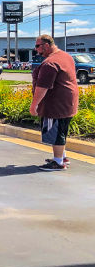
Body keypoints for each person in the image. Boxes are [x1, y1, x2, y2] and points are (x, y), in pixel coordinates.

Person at [30, 34, 79, 171]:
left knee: (55, 132)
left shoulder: (50, 63)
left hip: (55, 105)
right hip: (68, 102)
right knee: (61, 130)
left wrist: (34, 105)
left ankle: (58, 162)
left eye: (38, 46)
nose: (36, 50)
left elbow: (42, 87)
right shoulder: (65, 56)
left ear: (46, 45)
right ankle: (62, 157)